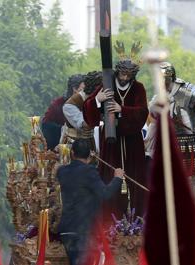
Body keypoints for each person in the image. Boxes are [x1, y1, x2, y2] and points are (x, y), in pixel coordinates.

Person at [83, 58, 148, 219]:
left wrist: (122, 110)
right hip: (111, 142)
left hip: (133, 143)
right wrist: (98, 100)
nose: (124, 78)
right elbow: (88, 109)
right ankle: (111, 220)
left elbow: (142, 113)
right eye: (123, 74)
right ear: (117, 71)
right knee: (109, 177)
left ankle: (136, 220)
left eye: (128, 75)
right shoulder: (106, 84)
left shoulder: (138, 88)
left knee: (135, 181)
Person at [56, 139, 124, 265]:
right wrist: (117, 178)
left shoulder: (62, 172)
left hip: (67, 230)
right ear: (89, 155)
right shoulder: (89, 172)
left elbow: (64, 169)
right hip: (82, 231)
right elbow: (105, 193)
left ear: (72, 153)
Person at [61, 71, 102, 151]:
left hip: (90, 144)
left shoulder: (102, 99)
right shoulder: (69, 105)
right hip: (73, 147)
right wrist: (96, 101)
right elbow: (85, 125)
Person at [41, 74, 85, 150]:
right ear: (74, 89)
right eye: (83, 89)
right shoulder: (58, 103)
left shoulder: (85, 102)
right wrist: (64, 130)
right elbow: (46, 125)